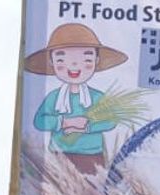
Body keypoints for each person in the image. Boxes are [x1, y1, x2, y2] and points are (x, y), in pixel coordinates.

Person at [24, 23, 128, 174]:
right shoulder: (54, 97)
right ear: (51, 62)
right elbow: (39, 121)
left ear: (96, 60)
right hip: (58, 156)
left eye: (86, 58)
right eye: (61, 59)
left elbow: (111, 120)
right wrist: (64, 122)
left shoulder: (97, 97)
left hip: (92, 156)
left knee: (92, 194)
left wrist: (86, 125)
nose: (73, 65)